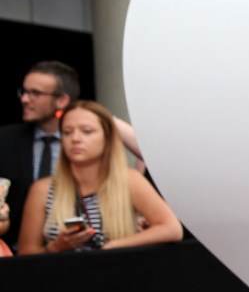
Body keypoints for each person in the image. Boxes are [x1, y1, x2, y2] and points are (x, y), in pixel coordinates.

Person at [1, 62, 149, 250]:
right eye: (24, 91)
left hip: (93, 248)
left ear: (62, 100)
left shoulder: (87, 143)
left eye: (35, 93)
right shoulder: (5, 140)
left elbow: (151, 157)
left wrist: (102, 119)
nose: (25, 99)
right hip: (21, 253)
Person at [17, 100, 182, 254]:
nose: (75, 139)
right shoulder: (43, 190)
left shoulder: (129, 180)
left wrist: (113, 247)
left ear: (107, 137)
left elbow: (172, 229)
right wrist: (57, 246)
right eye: (67, 132)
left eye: (87, 132)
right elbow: (25, 254)